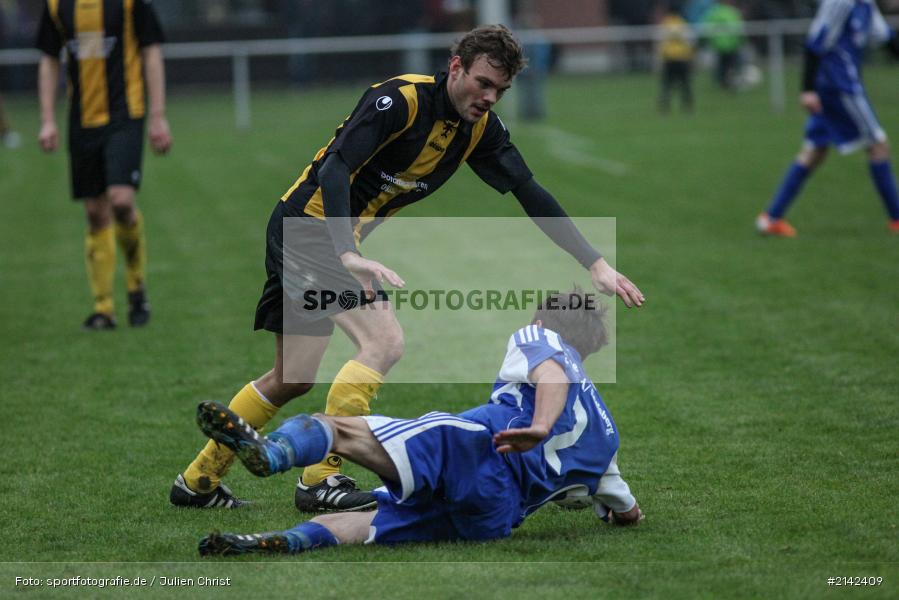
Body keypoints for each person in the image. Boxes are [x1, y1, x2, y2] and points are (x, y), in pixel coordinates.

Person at [169, 24, 645, 513]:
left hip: (319, 239)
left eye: (500, 90)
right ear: (456, 66)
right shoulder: (398, 100)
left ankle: (197, 481)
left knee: (293, 376)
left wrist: (595, 263)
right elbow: (335, 168)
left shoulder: (479, 129)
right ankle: (320, 481)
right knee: (384, 341)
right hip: (310, 231)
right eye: (483, 82)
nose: (489, 97)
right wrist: (347, 251)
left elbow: (529, 191)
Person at [193, 288, 643, 556]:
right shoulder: (608, 439)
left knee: (336, 428)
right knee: (374, 522)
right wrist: (620, 515)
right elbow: (628, 512)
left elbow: (550, 374)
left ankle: (271, 454)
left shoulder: (541, 338)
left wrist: (541, 426)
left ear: (544, 320)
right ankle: (281, 542)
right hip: (494, 516)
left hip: (478, 447)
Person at [35, 0, 173, 330]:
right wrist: (47, 120)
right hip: (82, 122)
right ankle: (104, 308)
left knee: (122, 201)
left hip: (126, 116)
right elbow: (49, 59)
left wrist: (158, 117)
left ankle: (136, 286)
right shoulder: (56, 5)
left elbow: (151, 51)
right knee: (95, 212)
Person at [756, 0, 899, 237]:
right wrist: (807, 89)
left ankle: (771, 218)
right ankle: (896, 218)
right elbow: (815, 42)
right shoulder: (840, 1)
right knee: (878, 145)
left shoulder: (866, 5)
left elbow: (887, 40)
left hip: (838, 86)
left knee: (814, 151)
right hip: (839, 86)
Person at [657, 2, 695, 114]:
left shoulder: (665, 24)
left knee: (666, 86)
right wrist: (691, 57)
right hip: (682, 58)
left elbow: (660, 43)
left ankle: (665, 109)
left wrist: (659, 59)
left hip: (669, 59)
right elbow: (689, 42)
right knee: (685, 85)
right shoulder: (682, 24)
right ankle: (688, 108)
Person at [702, 0, 744, 90]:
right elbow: (738, 27)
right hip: (730, 44)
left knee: (723, 65)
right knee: (730, 65)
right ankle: (728, 83)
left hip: (720, 45)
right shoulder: (732, 12)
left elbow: (707, 26)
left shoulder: (714, 12)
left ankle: (723, 83)